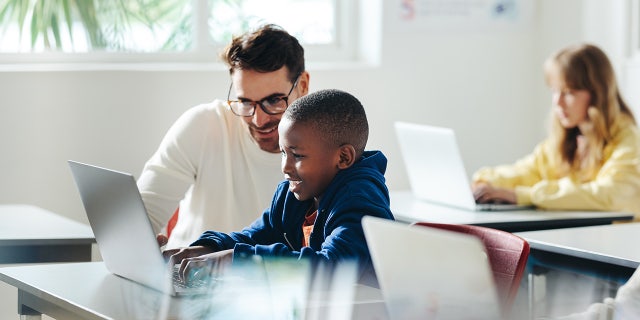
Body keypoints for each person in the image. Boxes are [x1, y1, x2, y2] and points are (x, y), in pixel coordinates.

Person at [164, 89, 394, 287]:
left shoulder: (361, 200)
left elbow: (331, 268)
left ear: (343, 157)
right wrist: (209, 247)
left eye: (298, 155)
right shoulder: (291, 195)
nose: (286, 166)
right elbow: (253, 237)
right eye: (284, 152)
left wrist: (239, 260)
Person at [136, 24, 310, 248]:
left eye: (274, 100)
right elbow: (142, 215)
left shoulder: (329, 148)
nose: (258, 120)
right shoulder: (205, 125)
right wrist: (140, 245)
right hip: (186, 275)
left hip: (274, 280)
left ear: (303, 85)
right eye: (245, 102)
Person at [472, 43, 640, 218]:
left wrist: (524, 196)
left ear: (598, 93)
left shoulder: (629, 140)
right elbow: (527, 171)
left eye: (568, 92)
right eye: (554, 91)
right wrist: (484, 182)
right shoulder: (569, 138)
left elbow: (610, 194)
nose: (557, 103)